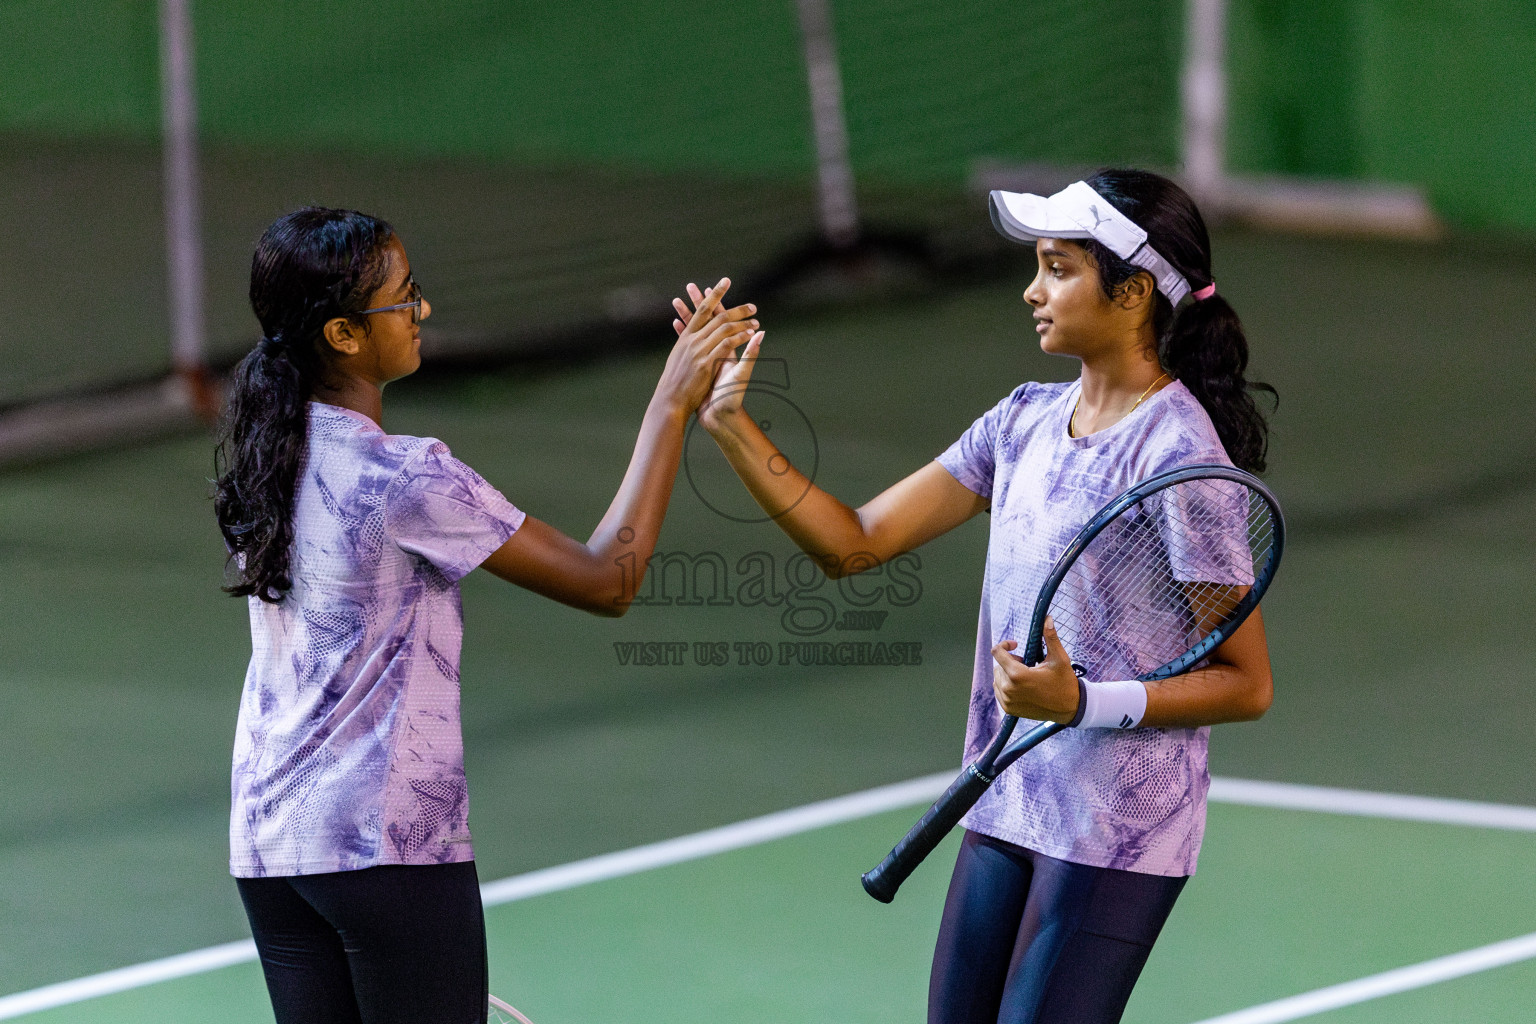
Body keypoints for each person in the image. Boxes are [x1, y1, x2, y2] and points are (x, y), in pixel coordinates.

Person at [685, 169, 1276, 1024]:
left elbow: (1246, 681)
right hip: (1007, 800)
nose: (1031, 290)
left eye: (1058, 268)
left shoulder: (1180, 461)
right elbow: (854, 543)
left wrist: (1082, 701)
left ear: (1133, 290)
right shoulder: (1023, 421)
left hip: (1115, 835)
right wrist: (732, 426)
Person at [213, 206, 760, 1024]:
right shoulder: (406, 476)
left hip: (271, 843)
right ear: (343, 335)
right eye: (402, 300)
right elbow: (608, 579)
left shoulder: (271, 455)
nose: (421, 310)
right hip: (385, 847)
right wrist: (671, 405)